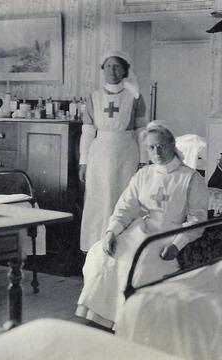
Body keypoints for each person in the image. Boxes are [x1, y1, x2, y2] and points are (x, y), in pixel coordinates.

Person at [75, 120, 208, 330]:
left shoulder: (191, 178)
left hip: (167, 235)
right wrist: (111, 232)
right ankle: (102, 318)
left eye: (161, 146)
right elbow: (125, 207)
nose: (156, 151)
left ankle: (131, 323)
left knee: (140, 264)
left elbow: (197, 219)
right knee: (99, 254)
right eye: (151, 147)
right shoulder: (143, 174)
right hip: (139, 230)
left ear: (172, 145)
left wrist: (177, 244)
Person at [79, 50, 148, 252]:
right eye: (108, 66)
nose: (112, 70)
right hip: (98, 155)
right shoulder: (94, 97)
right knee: (98, 199)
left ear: (125, 70)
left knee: (122, 198)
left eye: (117, 66)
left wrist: (143, 161)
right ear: (103, 69)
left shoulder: (134, 97)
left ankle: (124, 247)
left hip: (126, 154)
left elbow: (141, 131)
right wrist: (84, 161)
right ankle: (95, 247)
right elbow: (88, 132)